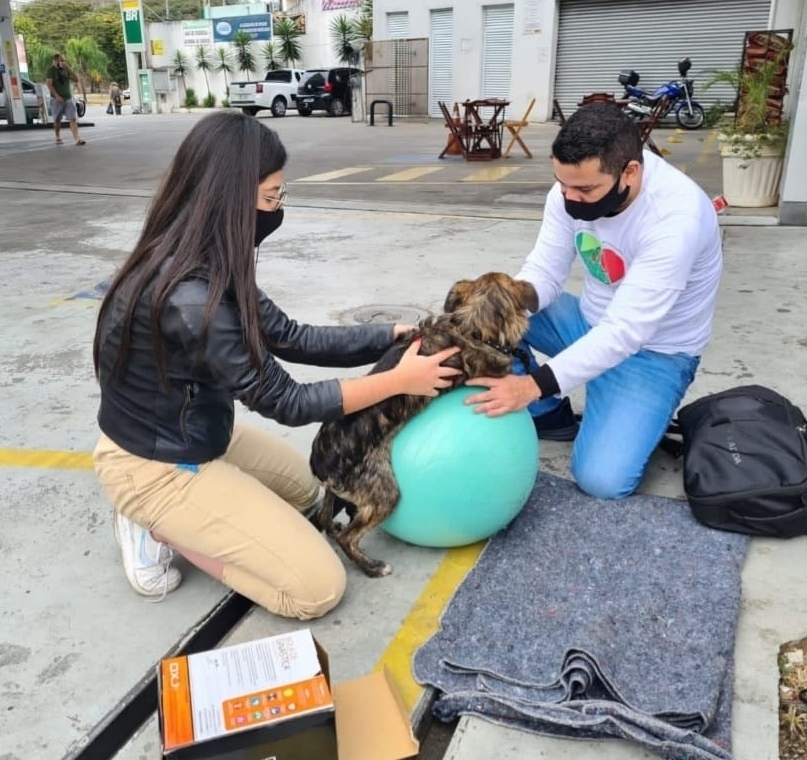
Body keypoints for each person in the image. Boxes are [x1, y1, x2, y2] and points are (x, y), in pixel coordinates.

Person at [92, 111, 460, 618]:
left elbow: (291, 337)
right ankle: (153, 524)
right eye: (271, 198)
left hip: (198, 433)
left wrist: (388, 336)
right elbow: (286, 401)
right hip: (156, 466)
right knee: (316, 589)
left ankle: (189, 509)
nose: (278, 209)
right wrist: (399, 380)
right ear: (228, 199)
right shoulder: (193, 298)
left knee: (313, 493)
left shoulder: (207, 258)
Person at [466, 102, 723, 501]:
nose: (570, 197)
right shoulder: (572, 185)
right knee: (481, 313)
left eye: (584, 190)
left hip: (654, 354)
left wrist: (531, 385)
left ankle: (618, 404)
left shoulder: (677, 217)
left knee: (602, 480)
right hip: (585, 321)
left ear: (630, 172)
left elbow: (625, 333)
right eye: (563, 184)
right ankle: (550, 415)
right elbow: (546, 271)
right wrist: (509, 300)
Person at [45, 53, 86, 145]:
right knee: (57, 119)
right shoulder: (51, 71)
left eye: (64, 61)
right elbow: (49, 84)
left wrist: (68, 68)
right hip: (56, 99)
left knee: (73, 118)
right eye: (61, 60)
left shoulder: (65, 70)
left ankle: (77, 139)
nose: (63, 62)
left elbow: (76, 79)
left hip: (68, 98)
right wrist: (56, 96)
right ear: (55, 61)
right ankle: (58, 137)